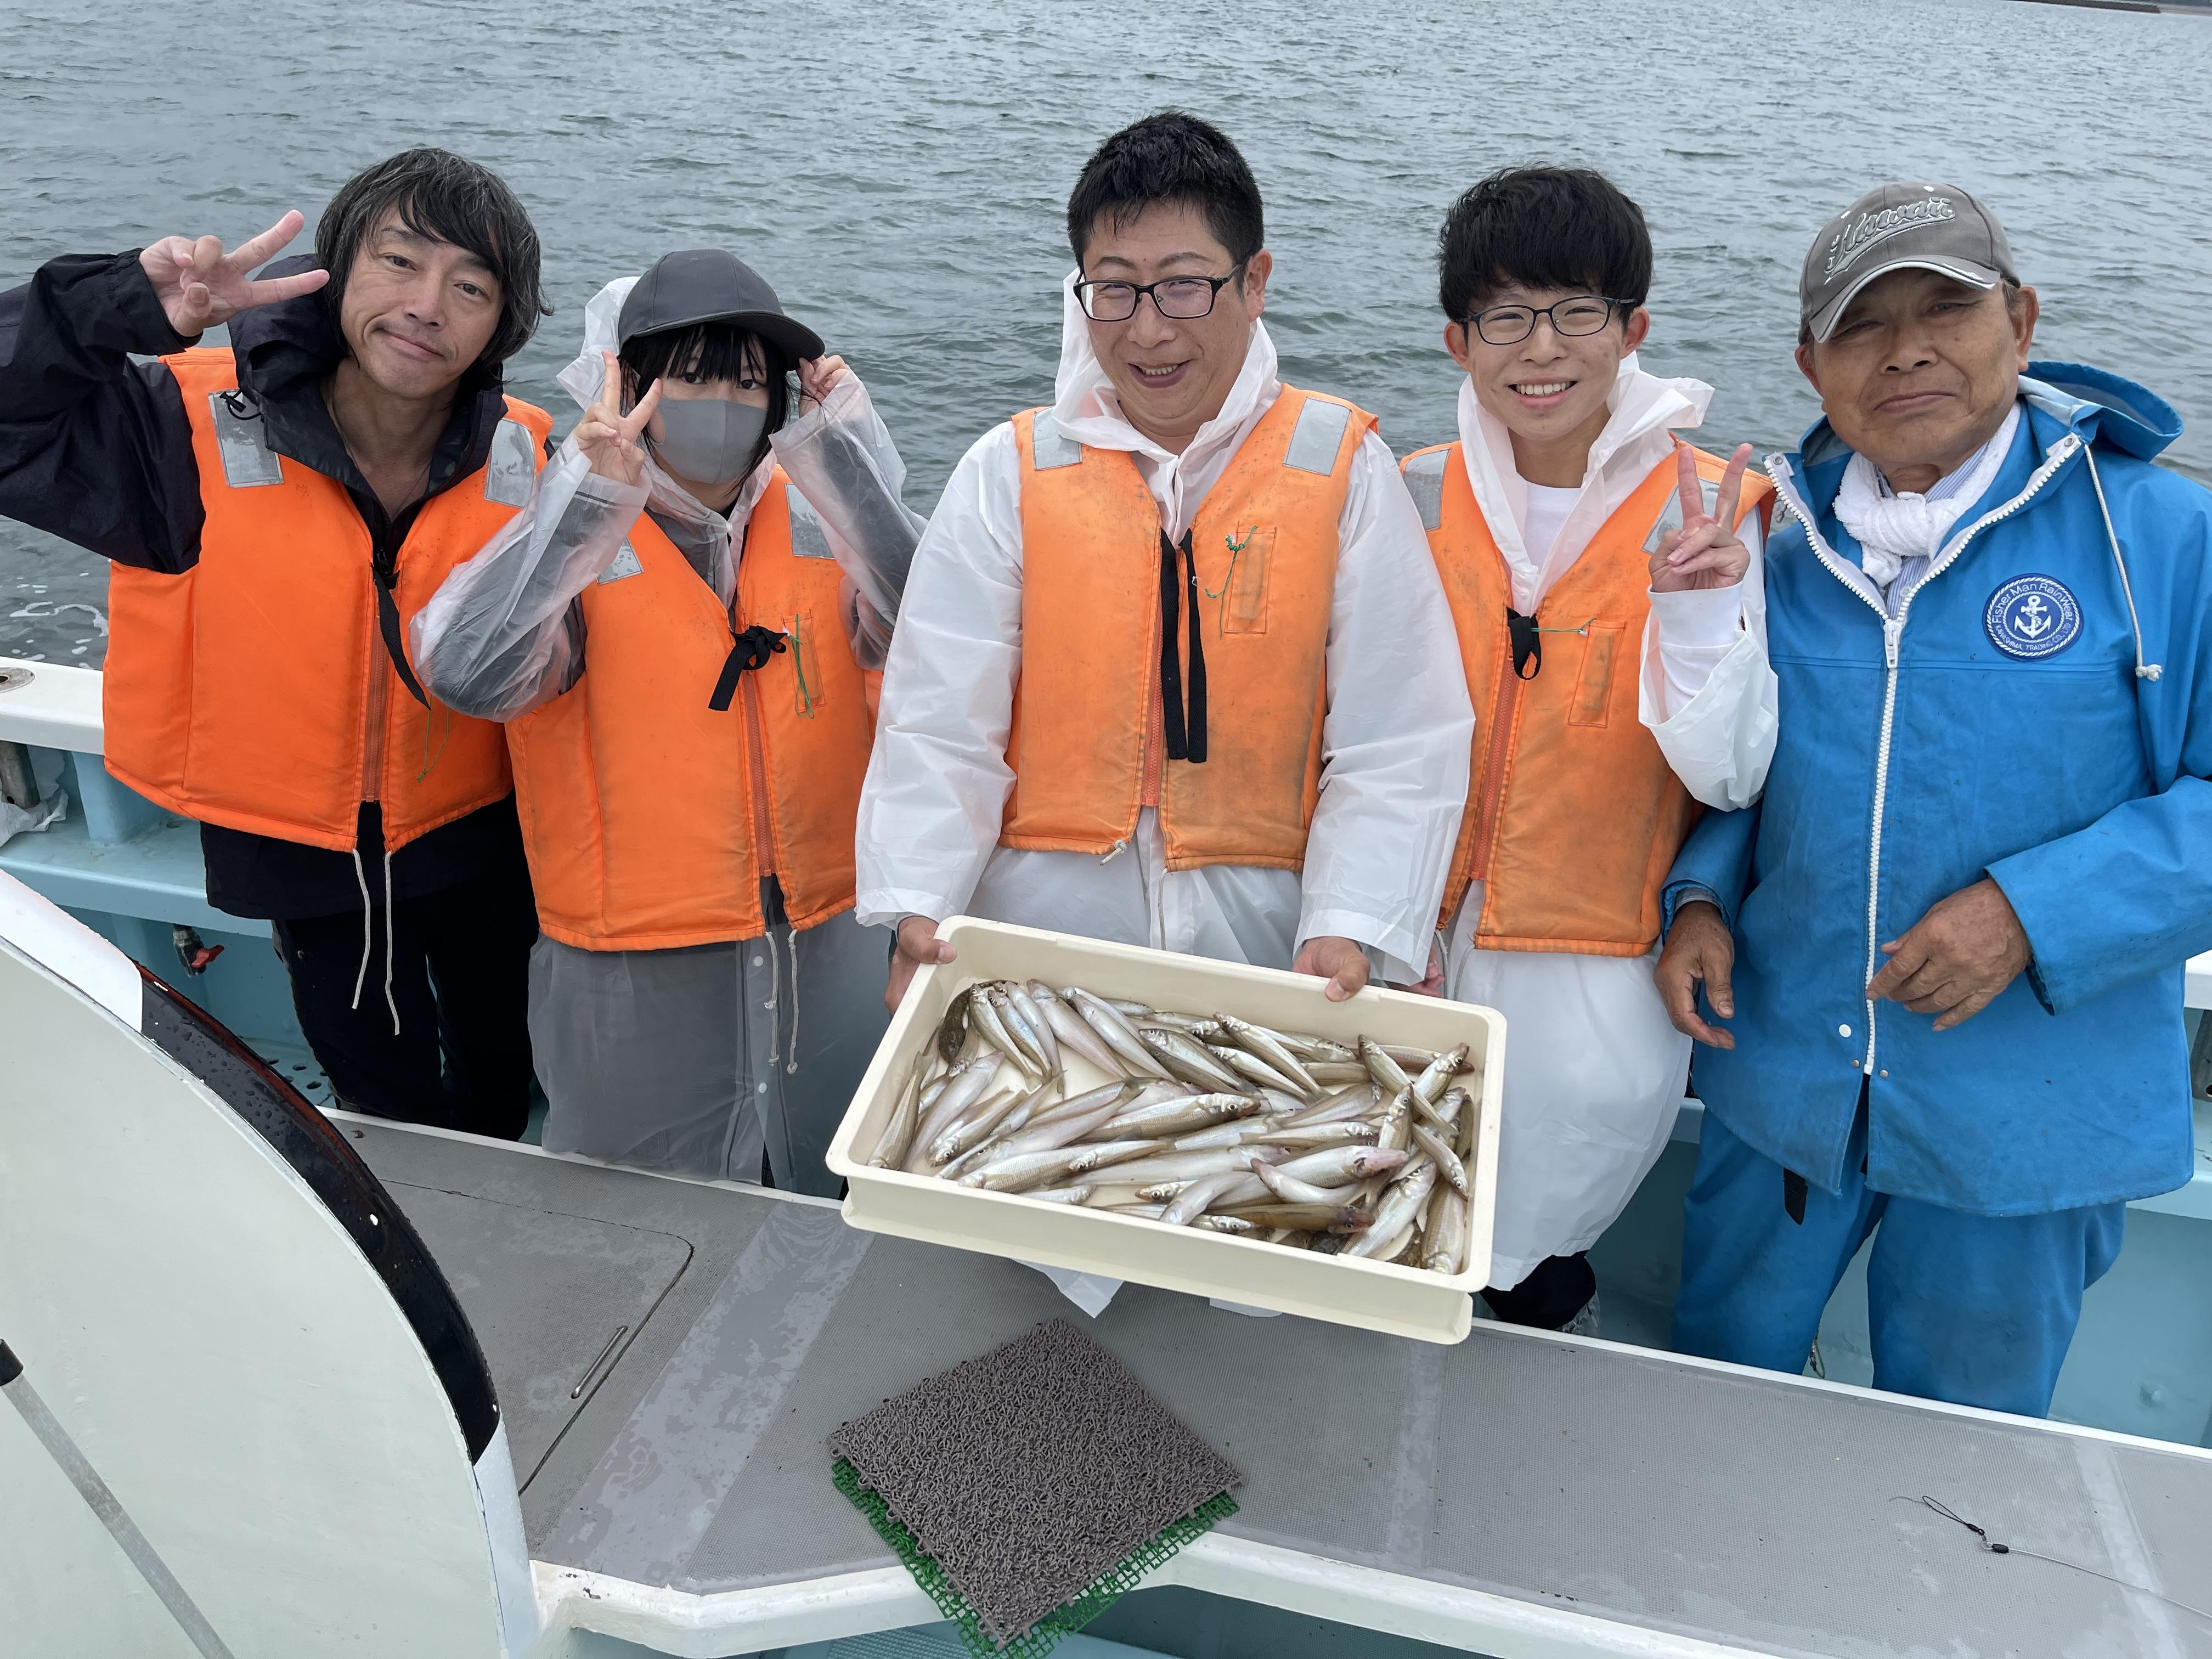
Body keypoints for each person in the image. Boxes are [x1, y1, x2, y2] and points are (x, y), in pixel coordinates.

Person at [1656, 183, 2212, 1415]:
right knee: (1708, 1395)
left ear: (2020, 319)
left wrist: (2031, 912)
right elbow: (1754, 766)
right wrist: (1700, 896)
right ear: (1811, 366)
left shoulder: (2169, 535)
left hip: (2032, 1114)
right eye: (1863, 326)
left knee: (1961, 1453)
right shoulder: (1777, 543)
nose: (1905, 350)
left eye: (1944, 310)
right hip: (1784, 1076)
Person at [857, 110, 1473, 1009]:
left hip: (1270, 943)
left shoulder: (1341, 465)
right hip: (1039, 937)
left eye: (1184, 287)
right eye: (1115, 289)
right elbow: (940, 715)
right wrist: (918, 903)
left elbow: (1398, 733)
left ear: (1254, 281)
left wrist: (1354, 922)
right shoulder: (1011, 469)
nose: (1147, 331)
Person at [0, 149, 554, 1139]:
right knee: (383, 1090)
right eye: (399, 262)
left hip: (477, 829)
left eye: (470, 286)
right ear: (338, 269)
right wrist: (114, 306)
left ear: (499, 326)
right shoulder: (182, 424)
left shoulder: (526, 450)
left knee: (505, 1054)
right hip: (295, 839)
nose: (428, 305)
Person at [413, 251, 922, 1193]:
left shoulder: (816, 520)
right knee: (634, 1226)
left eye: (747, 379)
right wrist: (587, 492)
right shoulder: (565, 532)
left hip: (824, 942)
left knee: (843, 1195)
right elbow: (471, 673)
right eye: (689, 374)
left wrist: (844, 453)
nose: (721, 402)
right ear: (634, 384)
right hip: (633, 960)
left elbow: (927, 626)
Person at [1400, 167, 1774, 1335]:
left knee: (1533, 1260)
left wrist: (1700, 614)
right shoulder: (1407, 489)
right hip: (1407, 947)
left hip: (1594, 972)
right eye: (1507, 316)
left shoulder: (1713, 512)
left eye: (1578, 312)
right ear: (1459, 340)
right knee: (1382, 1219)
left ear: (1634, 330)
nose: (1541, 348)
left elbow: (1731, 776)